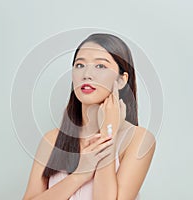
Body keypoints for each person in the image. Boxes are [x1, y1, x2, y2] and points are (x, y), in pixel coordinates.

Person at [23, 33, 156, 200]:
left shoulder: (139, 139)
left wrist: (109, 134)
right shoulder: (52, 140)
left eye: (100, 66)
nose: (87, 74)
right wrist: (79, 175)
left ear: (122, 80)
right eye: (80, 65)